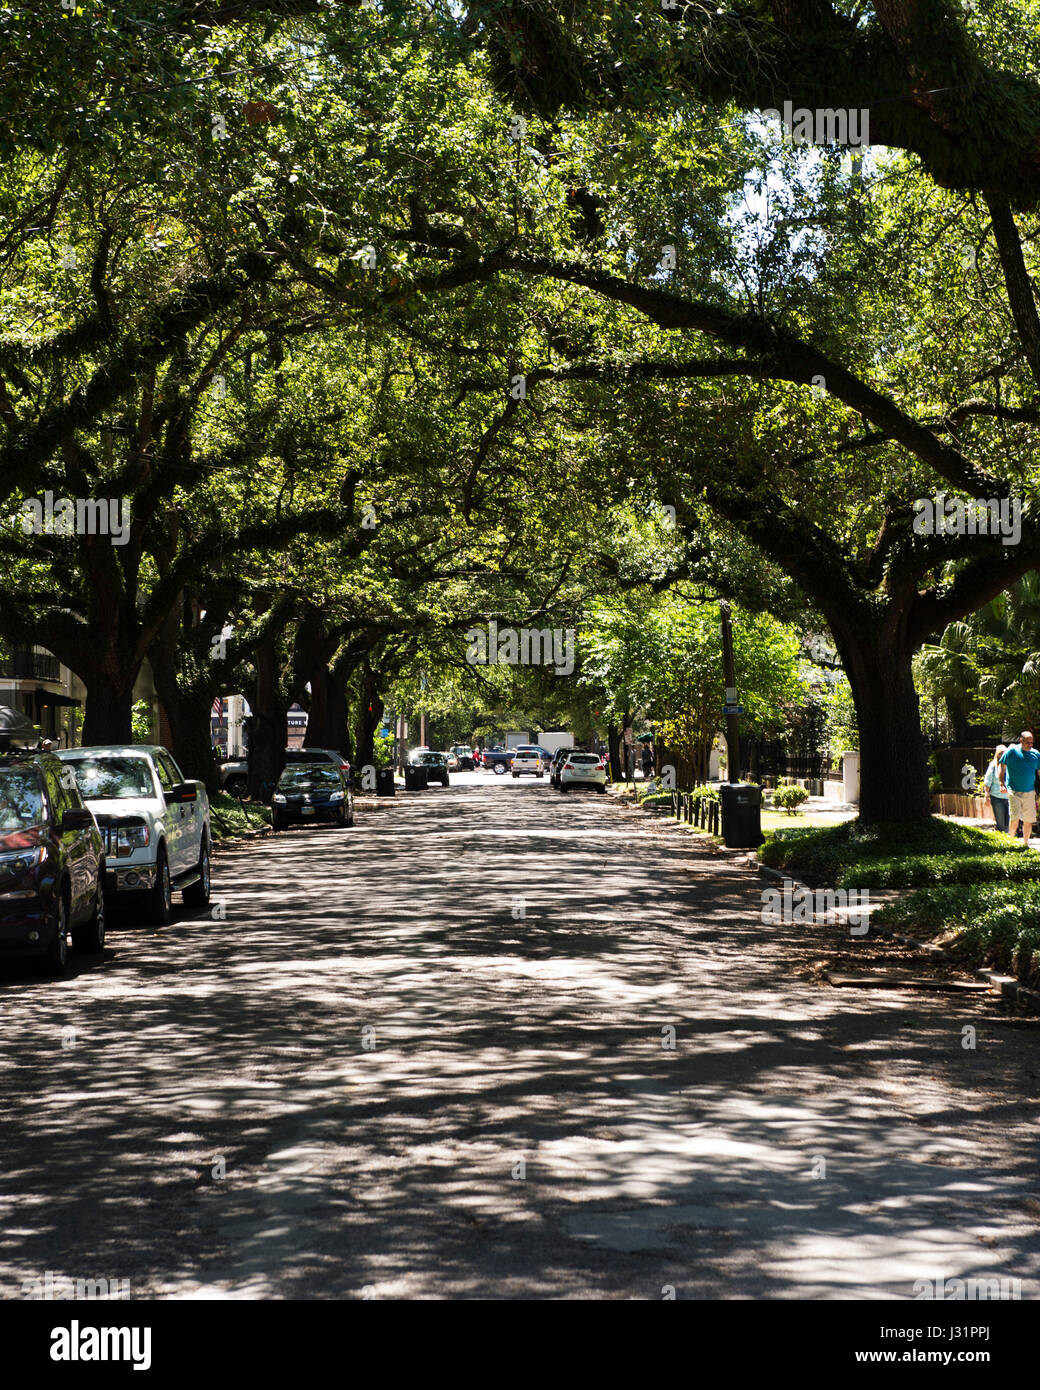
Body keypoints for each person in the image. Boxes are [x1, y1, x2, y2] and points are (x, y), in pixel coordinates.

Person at [999, 731, 1040, 847]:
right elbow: (1002, 767)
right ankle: (1010, 842)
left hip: (1029, 791)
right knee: (1015, 817)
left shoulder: (1036, 754)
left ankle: (1025, 844)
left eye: (1032, 742)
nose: (1030, 745)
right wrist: (1002, 783)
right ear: (1021, 740)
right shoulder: (1012, 752)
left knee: (1028, 819)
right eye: (1028, 742)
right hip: (1013, 790)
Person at [984, 744, 1010, 833]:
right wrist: (986, 796)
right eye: (1000, 753)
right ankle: (1000, 843)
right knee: (1001, 823)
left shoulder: (1010, 765)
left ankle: (1008, 842)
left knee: (1009, 823)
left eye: (1004, 753)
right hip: (997, 797)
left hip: (1010, 797)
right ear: (997, 754)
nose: (1002, 755)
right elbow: (987, 782)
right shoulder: (993, 765)